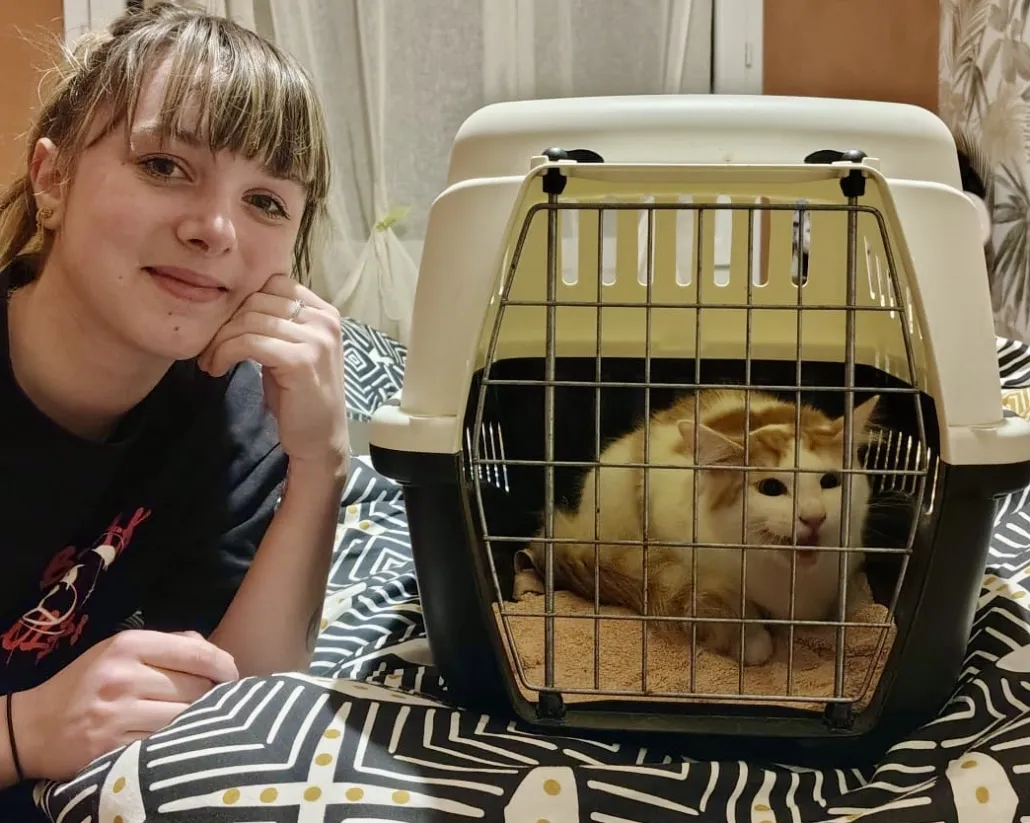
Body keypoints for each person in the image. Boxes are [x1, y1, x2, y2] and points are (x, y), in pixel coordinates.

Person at [0, 3, 348, 816]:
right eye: (164, 164)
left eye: (266, 201)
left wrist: (321, 462)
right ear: (53, 180)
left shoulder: (234, 412)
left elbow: (240, 697)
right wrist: (23, 729)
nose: (215, 229)